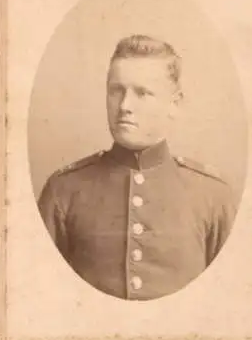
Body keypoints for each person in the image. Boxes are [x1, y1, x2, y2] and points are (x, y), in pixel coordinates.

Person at [38, 34, 237, 301]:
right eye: (116, 90)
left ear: (174, 104)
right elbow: (39, 299)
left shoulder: (213, 197)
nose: (124, 106)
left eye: (142, 93)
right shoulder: (63, 190)